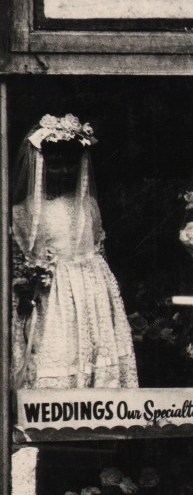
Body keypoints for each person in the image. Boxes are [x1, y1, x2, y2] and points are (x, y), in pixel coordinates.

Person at [11, 113, 138, 389]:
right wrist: (26, 285)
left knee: (96, 354)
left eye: (71, 164)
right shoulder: (25, 212)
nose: (65, 172)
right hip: (52, 298)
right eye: (56, 165)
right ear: (41, 165)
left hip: (91, 294)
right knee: (56, 356)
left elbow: (98, 252)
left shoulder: (88, 206)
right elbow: (20, 264)